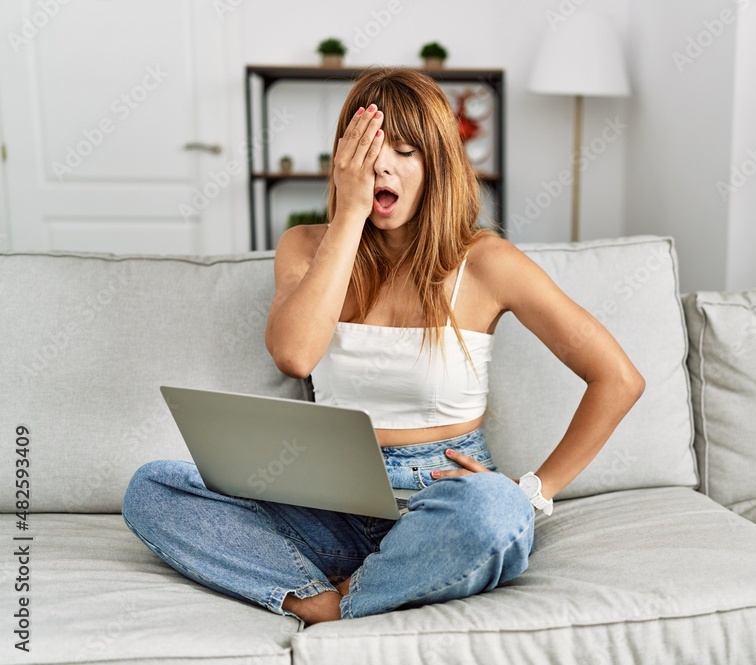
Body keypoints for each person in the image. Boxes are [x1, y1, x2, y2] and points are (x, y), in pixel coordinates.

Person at [121, 67, 645, 625]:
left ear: (436, 164)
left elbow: (618, 379)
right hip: (329, 501)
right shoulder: (306, 246)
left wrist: (534, 491)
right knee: (152, 488)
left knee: (495, 509)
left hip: (441, 499)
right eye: (367, 150)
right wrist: (350, 215)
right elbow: (294, 355)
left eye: (404, 151)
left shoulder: (488, 262)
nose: (381, 167)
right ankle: (321, 598)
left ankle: (347, 596)